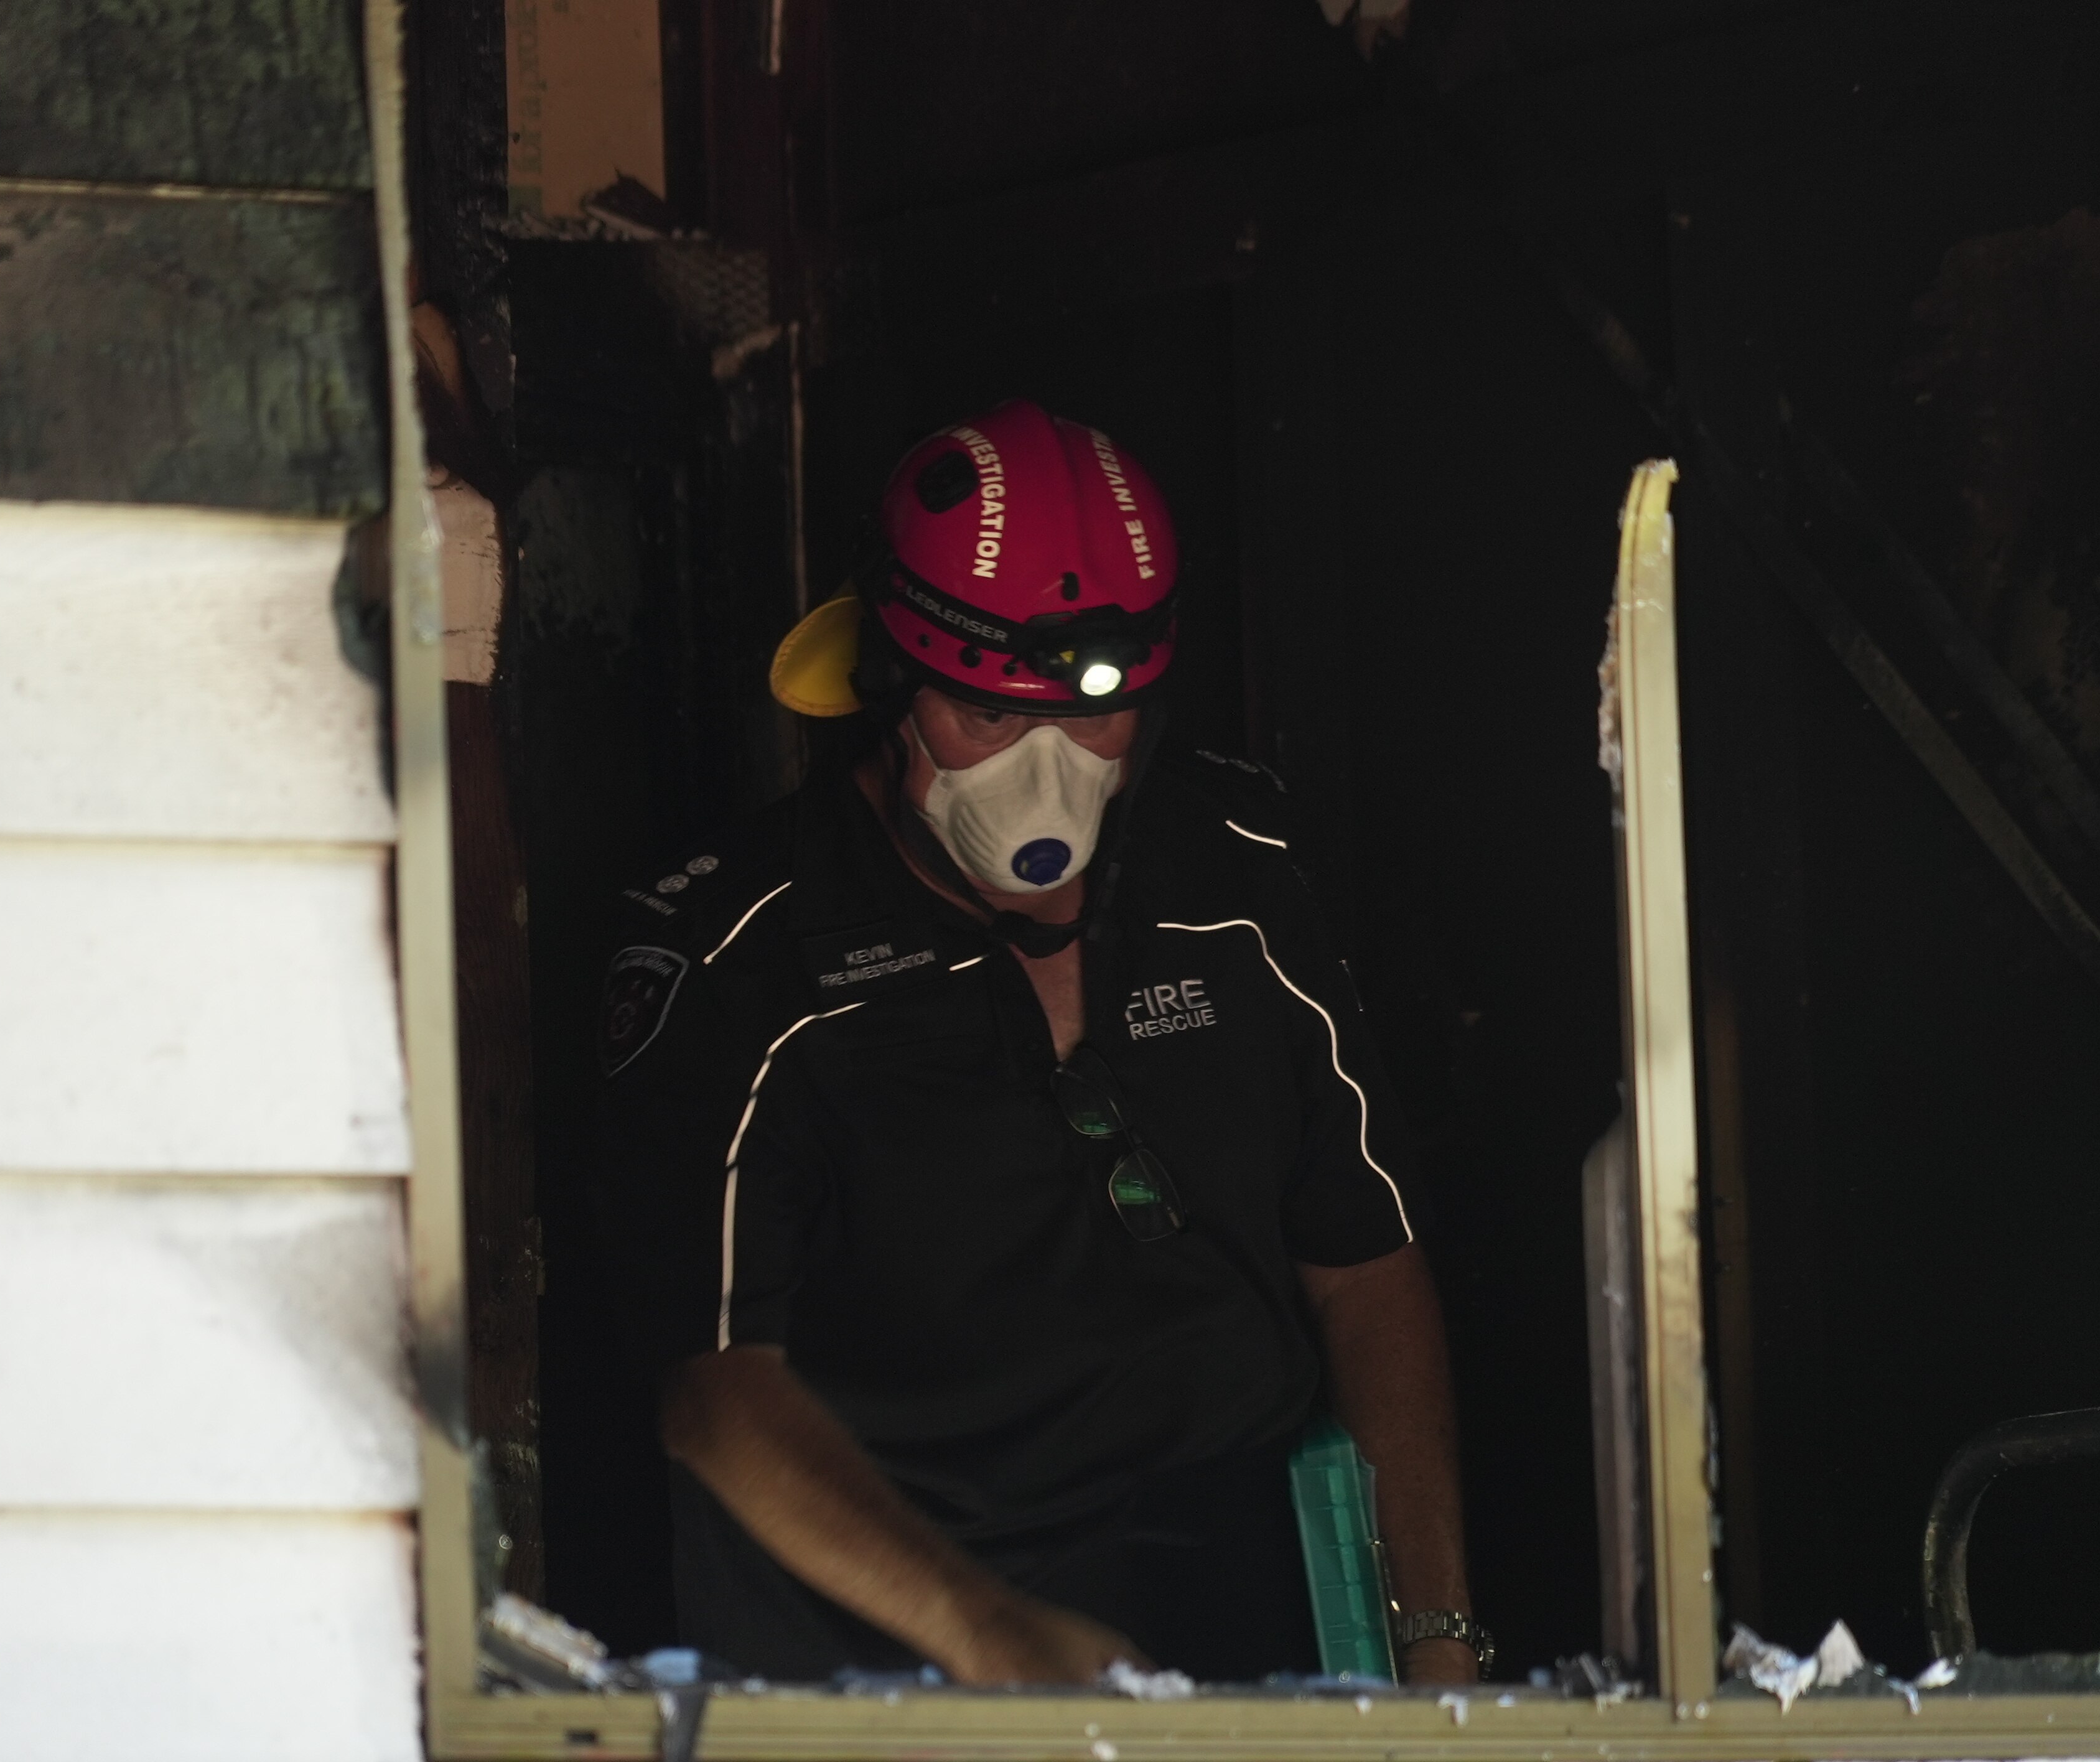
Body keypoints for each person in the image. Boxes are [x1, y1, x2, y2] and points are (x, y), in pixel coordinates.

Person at [593, 400, 1486, 1686]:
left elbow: (1364, 1264)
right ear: (885, 687)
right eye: (983, 718)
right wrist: (988, 1638)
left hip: (1241, 1613)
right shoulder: (743, 957)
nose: (1044, 773)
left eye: (1091, 713)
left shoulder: (1232, 870)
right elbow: (718, 1393)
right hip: (900, 1641)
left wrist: (1435, 1638)